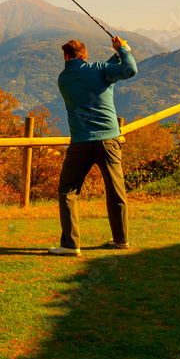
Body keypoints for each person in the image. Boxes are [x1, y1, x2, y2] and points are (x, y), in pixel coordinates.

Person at [50, 36, 137, 256]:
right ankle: (121, 240)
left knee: (67, 191)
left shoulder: (63, 78)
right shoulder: (99, 70)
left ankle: (70, 245)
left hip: (80, 142)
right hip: (109, 141)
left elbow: (97, 72)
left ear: (66, 56)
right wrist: (123, 50)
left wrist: (119, 53)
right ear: (85, 55)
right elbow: (129, 70)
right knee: (116, 190)